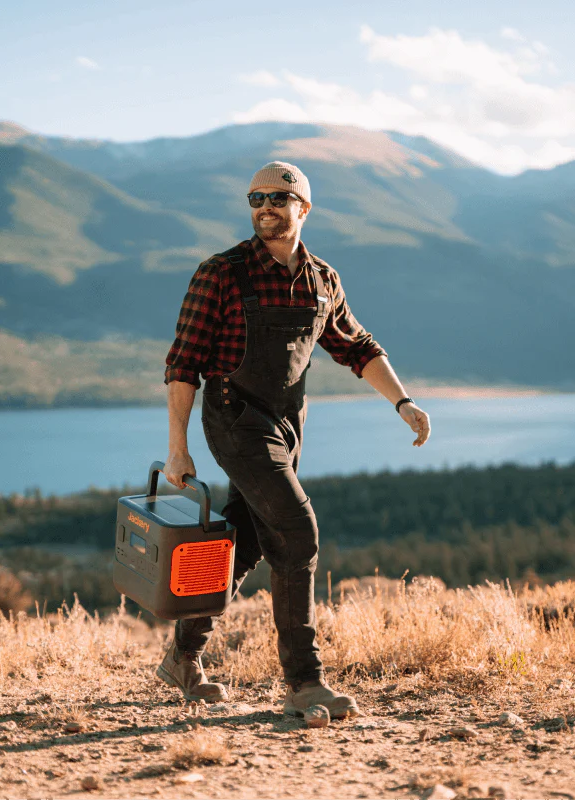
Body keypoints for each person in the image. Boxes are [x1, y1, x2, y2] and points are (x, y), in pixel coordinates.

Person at [159, 160, 431, 718]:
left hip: (287, 426)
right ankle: (304, 682)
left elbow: (355, 346)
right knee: (297, 530)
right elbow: (184, 363)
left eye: (278, 199)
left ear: (303, 208)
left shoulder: (322, 278)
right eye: (256, 198)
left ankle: (182, 656)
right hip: (234, 420)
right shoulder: (222, 273)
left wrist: (402, 402)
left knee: (247, 541)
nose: (265, 208)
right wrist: (178, 447)